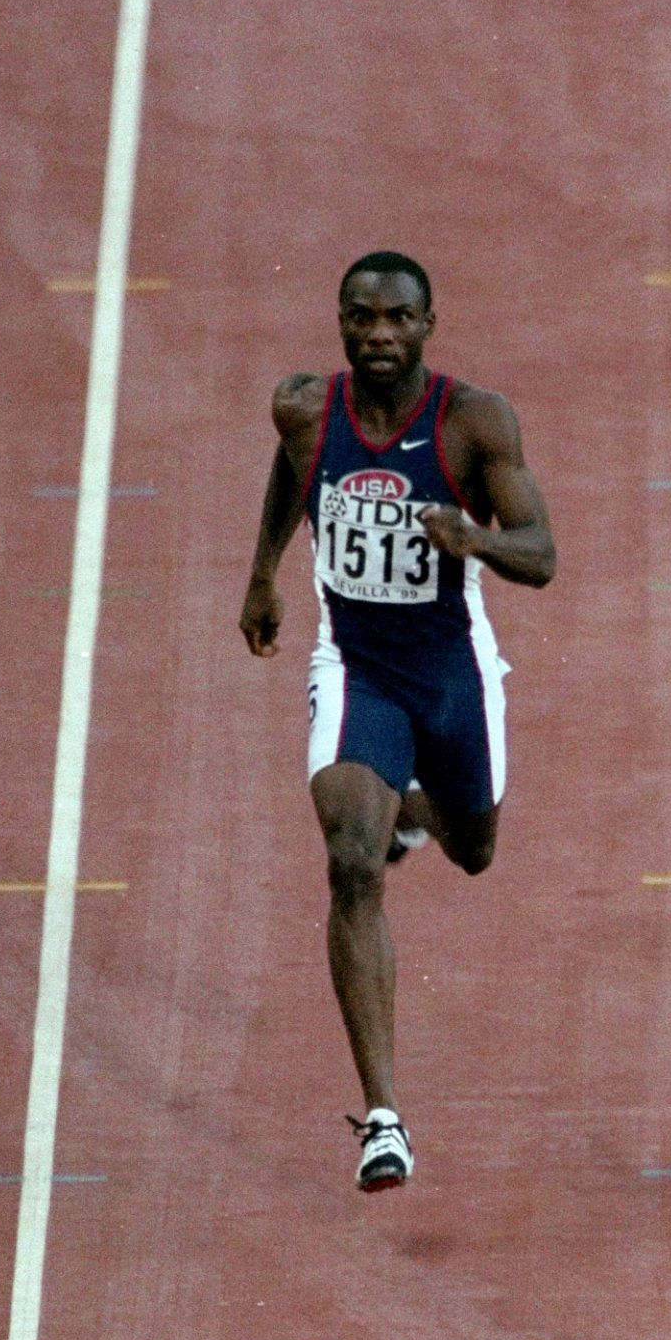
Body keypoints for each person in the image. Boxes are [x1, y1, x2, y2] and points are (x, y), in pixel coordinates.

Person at [240, 251, 557, 1189]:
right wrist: (262, 573)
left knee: (476, 849)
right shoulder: (307, 408)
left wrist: (478, 541)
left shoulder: (474, 423)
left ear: (428, 325)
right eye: (361, 317)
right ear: (341, 322)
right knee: (347, 860)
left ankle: (419, 816)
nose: (378, 335)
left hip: (451, 671)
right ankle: (384, 1119)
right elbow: (293, 474)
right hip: (357, 668)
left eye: (396, 319)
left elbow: (542, 556)